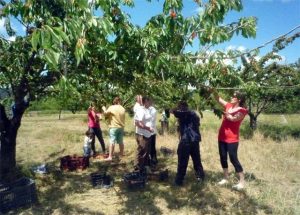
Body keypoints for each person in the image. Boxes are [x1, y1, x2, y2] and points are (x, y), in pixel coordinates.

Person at [213, 90, 248, 190]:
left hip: (232, 139)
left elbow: (234, 119)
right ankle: (226, 177)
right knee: (223, 157)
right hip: (222, 136)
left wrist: (227, 115)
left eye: (234, 96)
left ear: (239, 99)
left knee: (233, 159)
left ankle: (242, 181)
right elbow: (218, 99)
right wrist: (213, 90)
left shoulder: (242, 110)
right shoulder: (228, 105)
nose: (232, 97)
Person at [171, 101, 205, 186]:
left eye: (179, 107)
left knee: (182, 160)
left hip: (186, 140)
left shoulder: (183, 113)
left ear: (181, 107)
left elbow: (172, 111)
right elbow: (198, 124)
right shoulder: (194, 114)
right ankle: (200, 176)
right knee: (196, 159)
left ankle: (179, 181)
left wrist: (176, 108)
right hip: (195, 140)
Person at [102, 96, 126, 161]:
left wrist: (104, 109)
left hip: (113, 127)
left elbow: (105, 114)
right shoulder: (123, 108)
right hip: (121, 127)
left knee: (112, 141)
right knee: (121, 141)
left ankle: (110, 157)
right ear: (119, 101)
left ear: (114, 101)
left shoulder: (112, 107)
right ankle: (121, 155)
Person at [134, 96, 153, 173]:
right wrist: (147, 128)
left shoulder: (147, 110)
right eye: (149, 101)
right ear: (145, 102)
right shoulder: (141, 110)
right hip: (142, 134)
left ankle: (143, 167)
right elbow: (137, 123)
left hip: (147, 134)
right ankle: (137, 168)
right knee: (141, 151)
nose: (150, 103)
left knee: (146, 151)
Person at [148, 99, 158, 166]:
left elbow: (149, 120)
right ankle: (154, 159)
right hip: (152, 131)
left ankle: (152, 160)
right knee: (152, 146)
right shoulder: (153, 109)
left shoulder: (151, 110)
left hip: (150, 131)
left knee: (150, 147)